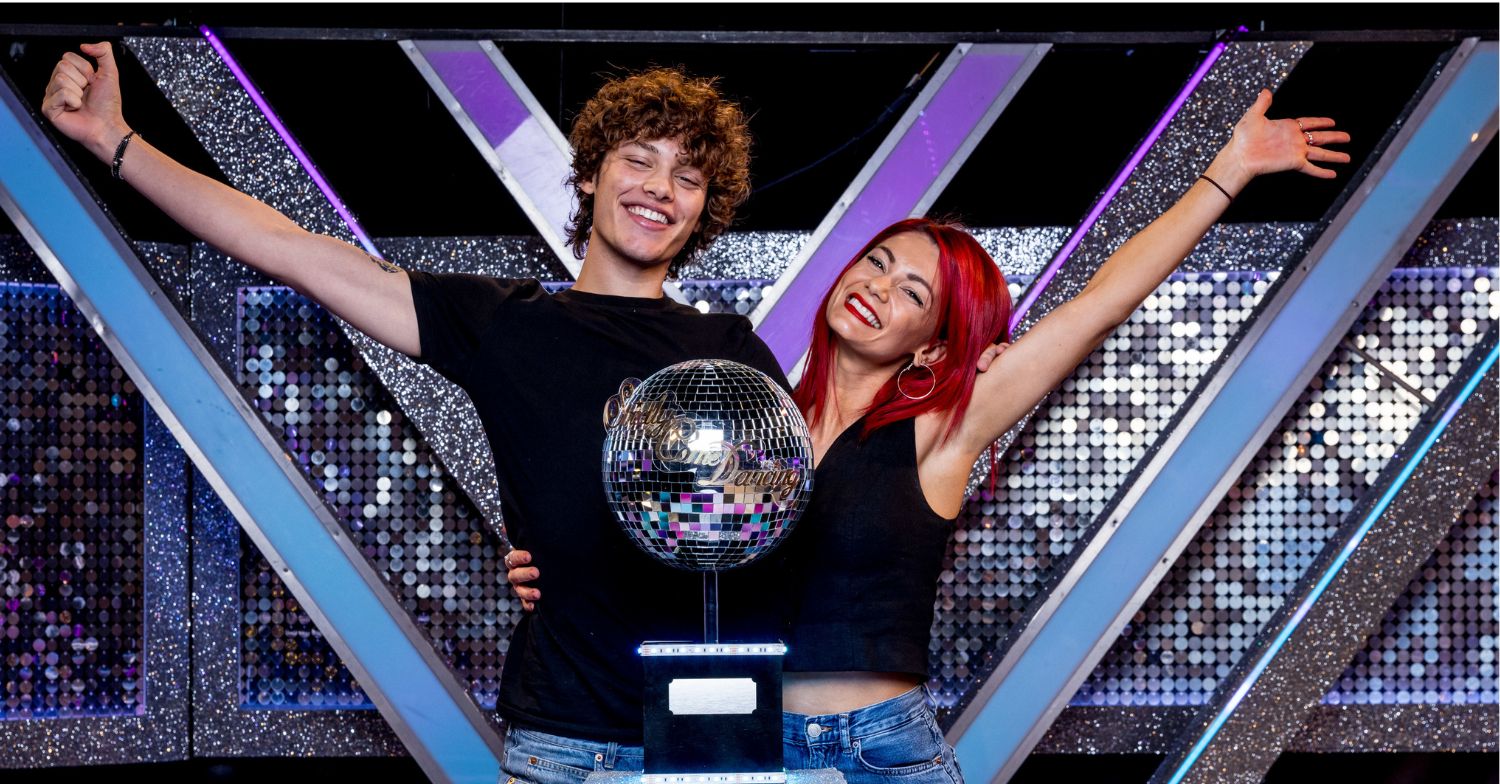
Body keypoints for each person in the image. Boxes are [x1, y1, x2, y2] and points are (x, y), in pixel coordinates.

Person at [508, 88, 1350, 782]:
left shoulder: (944, 428)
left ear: (934, 346)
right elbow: (655, 535)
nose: (879, 288)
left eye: (914, 293)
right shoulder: (757, 422)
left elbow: (1098, 307)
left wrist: (1229, 171)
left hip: (878, 751)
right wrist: (549, 568)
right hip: (752, 743)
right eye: (877, 264)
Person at [44, 42, 787, 783]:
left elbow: (797, 528)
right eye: (639, 161)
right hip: (561, 745)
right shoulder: (506, 324)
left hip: (707, 742)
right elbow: (289, 249)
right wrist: (114, 140)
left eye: (688, 177)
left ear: (703, 210)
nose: (660, 188)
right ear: (591, 173)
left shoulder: (728, 355)